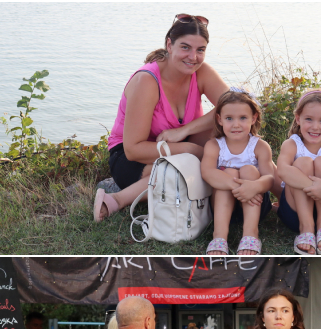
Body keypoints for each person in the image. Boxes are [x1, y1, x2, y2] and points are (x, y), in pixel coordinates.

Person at [93, 14, 229, 221]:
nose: (193, 57)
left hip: (176, 144)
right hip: (133, 157)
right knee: (182, 172)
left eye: (200, 50)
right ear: (169, 44)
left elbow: (235, 106)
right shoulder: (147, 81)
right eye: (185, 47)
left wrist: (184, 130)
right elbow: (133, 150)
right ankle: (116, 200)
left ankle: (280, 197)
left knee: (235, 132)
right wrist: (193, 151)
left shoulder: (201, 72)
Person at [200, 88, 276, 255]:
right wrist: (238, 187)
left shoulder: (260, 146)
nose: (236, 124)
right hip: (221, 207)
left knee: (249, 170)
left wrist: (254, 187)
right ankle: (219, 236)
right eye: (229, 118)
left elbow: (270, 178)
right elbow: (207, 172)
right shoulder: (214, 145)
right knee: (229, 173)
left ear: (253, 118)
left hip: (255, 205)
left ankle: (251, 234)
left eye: (243, 118)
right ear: (219, 119)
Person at [276, 89, 321, 254]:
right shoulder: (291, 145)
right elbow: (282, 170)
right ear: (298, 119)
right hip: (296, 214)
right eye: (309, 119)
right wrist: (316, 188)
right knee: (302, 163)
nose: (315, 127)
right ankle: (306, 228)